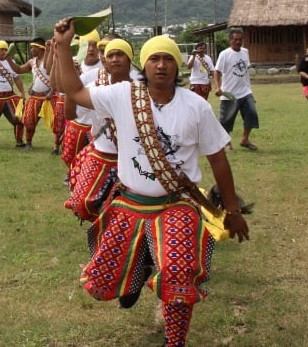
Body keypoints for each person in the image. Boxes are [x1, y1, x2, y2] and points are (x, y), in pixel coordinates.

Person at [53, 22, 249, 346]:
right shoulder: (123, 95)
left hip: (177, 204)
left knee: (178, 274)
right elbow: (74, 92)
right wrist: (61, 46)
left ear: (176, 65)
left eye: (168, 58)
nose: (161, 65)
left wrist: (232, 210)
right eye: (154, 59)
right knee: (104, 284)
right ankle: (141, 268)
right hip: (130, 203)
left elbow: (218, 159)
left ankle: (175, 342)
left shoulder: (196, 106)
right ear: (143, 65)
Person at [64, 38, 133, 222]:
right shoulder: (94, 85)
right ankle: (106, 221)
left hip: (133, 157)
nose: (115, 59)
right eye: (111, 55)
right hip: (101, 155)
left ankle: (114, 225)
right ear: (105, 60)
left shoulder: (142, 87)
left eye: (120, 54)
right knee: (81, 203)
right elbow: (70, 114)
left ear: (130, 59)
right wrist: (72, 83)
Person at [214, 29, 259, 151]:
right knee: (226, 120)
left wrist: (249, 89)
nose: (238, 41)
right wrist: (218, 87)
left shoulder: (245, 52)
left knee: (251, 114)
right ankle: (226, 141)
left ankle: (245, 139)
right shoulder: (224, 54)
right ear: (230, 40)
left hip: (245, 91)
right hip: (229, 93)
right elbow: (217, 72)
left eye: (240, 39)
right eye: (235, 39)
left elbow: (245, 72)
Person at [6, 37, 54, 150]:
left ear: (40, 48)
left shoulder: (51, 60)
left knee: (56, 123)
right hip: (35, 96)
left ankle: (57, 145)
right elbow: (18, 69)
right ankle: (28, 143)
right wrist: (8, 59)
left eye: (33, 47)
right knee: (28, 121)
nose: (31, 49)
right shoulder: (32, 62)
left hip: (50, 96)